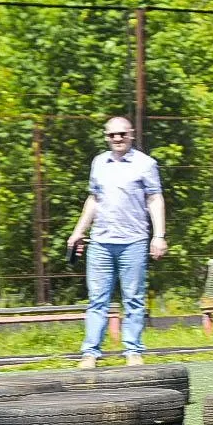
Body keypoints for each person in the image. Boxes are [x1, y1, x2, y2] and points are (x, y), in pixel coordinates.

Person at [65, 116, 167, 368]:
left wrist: (159, 235)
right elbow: (93, 199)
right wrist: (78, 231)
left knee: (133, 297)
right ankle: (90, 352)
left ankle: (133, 350)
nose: (117, 139)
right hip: (101, 241)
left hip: (133, 241)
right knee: (97, 298)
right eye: (112, 135)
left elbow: (155, 199)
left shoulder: (145, 164)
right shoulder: (99, 163)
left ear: (131, 135)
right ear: (106, 137)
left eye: (122, 134)